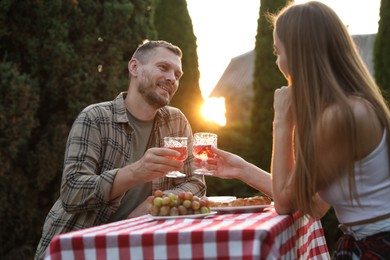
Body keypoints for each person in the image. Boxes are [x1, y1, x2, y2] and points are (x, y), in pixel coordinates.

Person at [209, 1, 390, 259]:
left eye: (277, 51)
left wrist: (282, 120)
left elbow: (284, 203)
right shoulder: (350, 107)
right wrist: (241, 168)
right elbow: (312, 203)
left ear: (297, 53)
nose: (277, 61)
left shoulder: (342, 117)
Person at [35, 40, 206, 259]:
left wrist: (152, 205)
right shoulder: (94, 118)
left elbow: (196, 183)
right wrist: (136, 172)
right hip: (82, 246)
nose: (172, 78)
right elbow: (72, 191)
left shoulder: (176, 122)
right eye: (163, 67)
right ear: (134, 67)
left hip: (142, 247)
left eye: (177, 74)